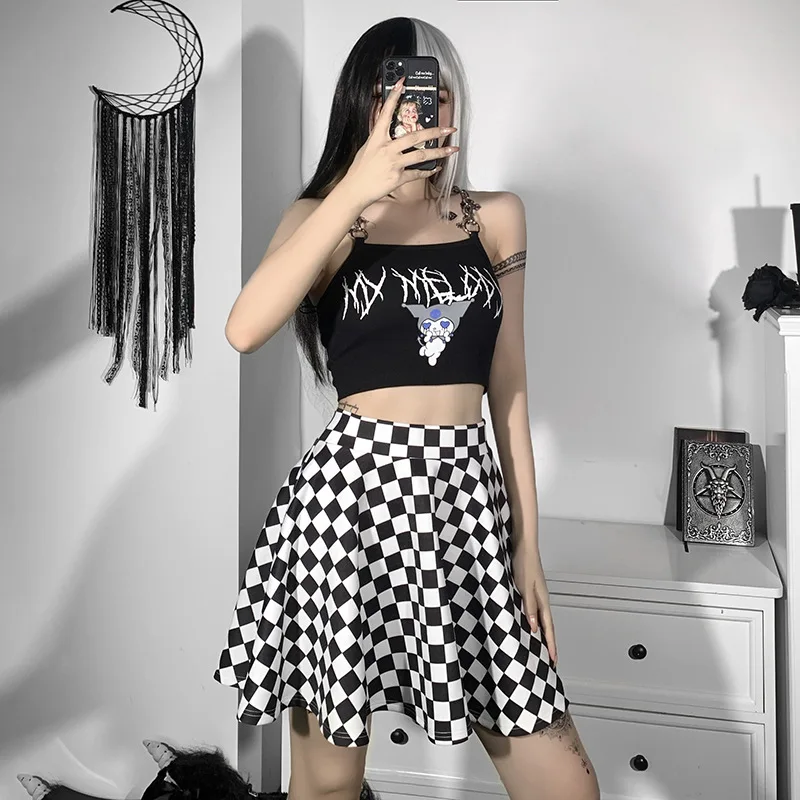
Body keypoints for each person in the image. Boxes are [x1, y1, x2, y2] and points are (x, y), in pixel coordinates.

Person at [214, 16, 601, 800]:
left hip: (465, 506)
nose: (425, 112)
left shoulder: (495, 217)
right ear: (365, 104)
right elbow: (244, 329)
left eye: (438, 95)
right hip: (349, 506)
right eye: (399, 96)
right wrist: (358, 185)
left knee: (565, 785)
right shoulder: (320, 218)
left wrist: (528, 547)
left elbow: (510, 386)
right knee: (328, 784)